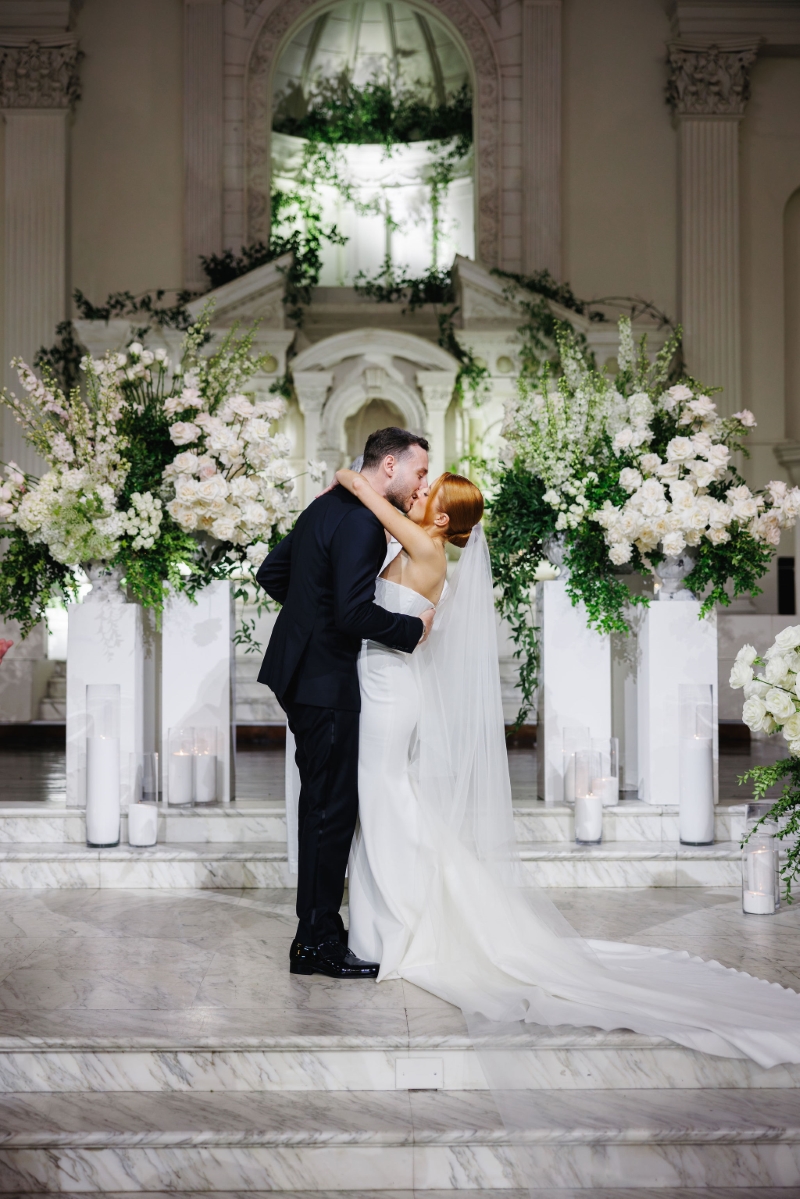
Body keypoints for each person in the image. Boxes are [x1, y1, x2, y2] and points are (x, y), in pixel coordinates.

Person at [334, 463, 800, 1070]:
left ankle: (407, 919)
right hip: (383, 682)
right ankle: (391, 918)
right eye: (419, 488)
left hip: (392, 693)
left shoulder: (425, 546)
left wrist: (351, 477)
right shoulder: (421, 544)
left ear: (442, 519)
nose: (417, 493)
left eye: (427, 492)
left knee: (385, 793)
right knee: (385, 797)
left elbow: (373, 500)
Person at [256, 427, 435, 980]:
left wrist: (310, 612)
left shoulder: (325, 507)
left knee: (322, 808)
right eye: (419, 472)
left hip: (302, 672)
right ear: (388, 467)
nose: (421, 482)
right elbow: (354, 615)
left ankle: (316, 934)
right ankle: (315, 944)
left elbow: (272, 572)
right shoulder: (362, 521)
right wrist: (413, 628)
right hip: (326, 679)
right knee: (330, 813)